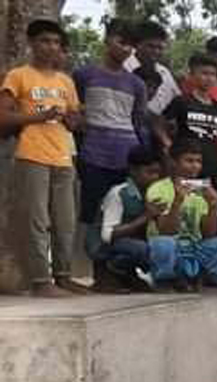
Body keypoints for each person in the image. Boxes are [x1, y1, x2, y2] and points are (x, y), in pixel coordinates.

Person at [0, 19, 86, 297]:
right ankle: (40, 280)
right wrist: (38, 116)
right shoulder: (18, 76)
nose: (51, 47)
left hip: (62, 156)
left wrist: (73, 119)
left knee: (66, 221)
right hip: (31, 154)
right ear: (31, 43)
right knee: (37, 219)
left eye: (56, 42)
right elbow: (4, 116)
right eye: (44, 41)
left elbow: (76, 119)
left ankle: (63, 276)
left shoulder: (65, 81)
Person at [72, 18, 147, 230]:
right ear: (107, 39)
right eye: (121, 42)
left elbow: (137, 120)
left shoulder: (136, 84)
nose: (126, 49)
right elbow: (74, 111)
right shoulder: (84, 74)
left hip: (126, 158)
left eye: (131, 45)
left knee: (120, 215)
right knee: (89, 215)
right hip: (92, 156)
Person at [145, 141, 217, 291]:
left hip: (194, 248)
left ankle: (206, 280)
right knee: (163, 243)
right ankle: (167, 280)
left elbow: (208, 234)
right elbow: (166, 231)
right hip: (171, 249)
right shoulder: (158, 189)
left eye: (198, 161)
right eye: (189, 161)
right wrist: (177, 201)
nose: (195, 166)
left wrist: (213, 206)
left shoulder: (202, 189)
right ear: (174, 162)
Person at [88, 146, 178, 292]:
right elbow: (107, 235)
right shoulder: (118, 193)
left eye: (157, 173)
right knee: (143, 249)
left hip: (134, 241)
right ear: (133, 170)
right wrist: (146, 216)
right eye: (149, 172)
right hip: (105, 246)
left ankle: (129, 276)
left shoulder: (155, 193)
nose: (154, 177)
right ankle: (108, 274)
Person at [157, 53, 217, 185]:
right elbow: (159, 123)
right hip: (186, 167)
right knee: (188, 196)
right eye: (204, 73)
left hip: (212, 166)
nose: (209, 78)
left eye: (213, 74)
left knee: (209, 197)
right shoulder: (181, 101)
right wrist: (167, 144)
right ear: (192, 75)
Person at [123, 20, 180, 115]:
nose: (156, 52)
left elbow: (176, 99)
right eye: (151, 46)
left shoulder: (165, 72)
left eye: (160, 48)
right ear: (137, 45)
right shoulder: (124, 69)